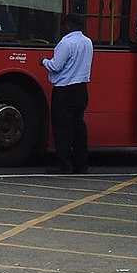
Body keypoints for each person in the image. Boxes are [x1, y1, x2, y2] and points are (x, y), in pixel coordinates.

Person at [42, 13, 93, 174]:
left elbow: (56, 66)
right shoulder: (88, 42)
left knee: (63, 129)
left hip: (64, 90)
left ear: (69, 26)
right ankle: (81, 165)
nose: (62, 29)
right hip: (81, 89)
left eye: (63, 26)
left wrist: (43, 61)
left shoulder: (66, 43)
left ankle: (64, 165)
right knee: (79, 128)